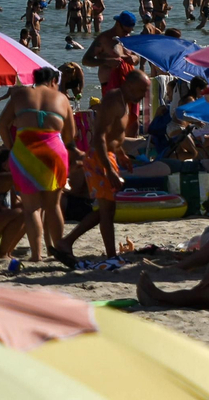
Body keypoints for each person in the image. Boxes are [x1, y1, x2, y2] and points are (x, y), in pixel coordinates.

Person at [54, 69, 150, 264]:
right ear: (130, 85)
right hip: (99, 157)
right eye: (141, 90)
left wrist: (121, 154)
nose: (143, 96)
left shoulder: (124, 101)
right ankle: (109, 255)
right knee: (107, 210)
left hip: (109, 155)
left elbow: (114, 135)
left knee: (107, 210)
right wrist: (109, 170)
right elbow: (99, 137)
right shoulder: (113, 100)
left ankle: (68, 242)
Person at [0, 66, 75, 263]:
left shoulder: (20, 94)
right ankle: (59, 251)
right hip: (54, 152)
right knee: (53, 205)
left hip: (24, 152)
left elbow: (2, 124)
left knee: (31, 208)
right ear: (53, 82)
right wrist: (56, 143)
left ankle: (36, 255)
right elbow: (70, 135)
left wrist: (12, 146)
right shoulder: (62, 98)